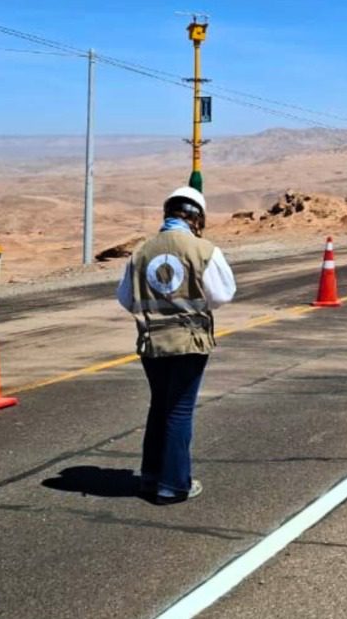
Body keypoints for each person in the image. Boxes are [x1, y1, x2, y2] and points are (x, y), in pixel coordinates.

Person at [115, 185, 236, 504]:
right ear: (197, 217)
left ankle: (150, 476)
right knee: (179, 411)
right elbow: (222, 294)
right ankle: (173, 484)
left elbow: (125, 297)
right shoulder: (204, 249)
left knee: (159, 406)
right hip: (189, 341)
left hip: (152, 342)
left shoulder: (141, 251)